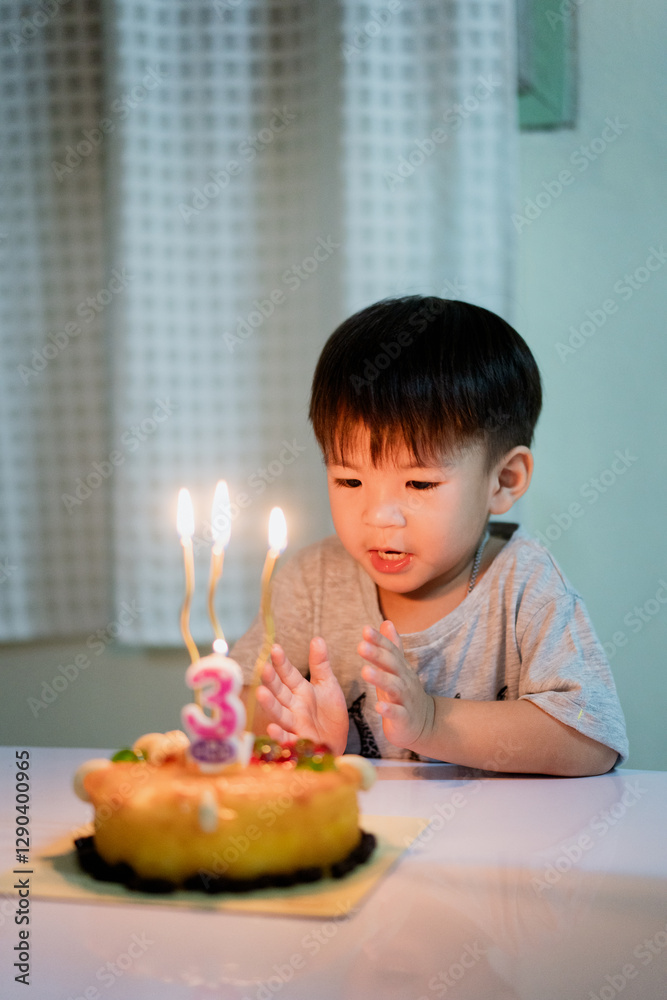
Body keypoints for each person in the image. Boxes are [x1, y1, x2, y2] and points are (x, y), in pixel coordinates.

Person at [232, 297, 628, 775]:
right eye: (349, 480)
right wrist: (300, 738)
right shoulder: (311, 579)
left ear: (503, 481)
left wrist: (432, 720)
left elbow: (591, 739)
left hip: (493, 845)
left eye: (419, 483)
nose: (379, 516)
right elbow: (236, 707)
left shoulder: (526, 585)